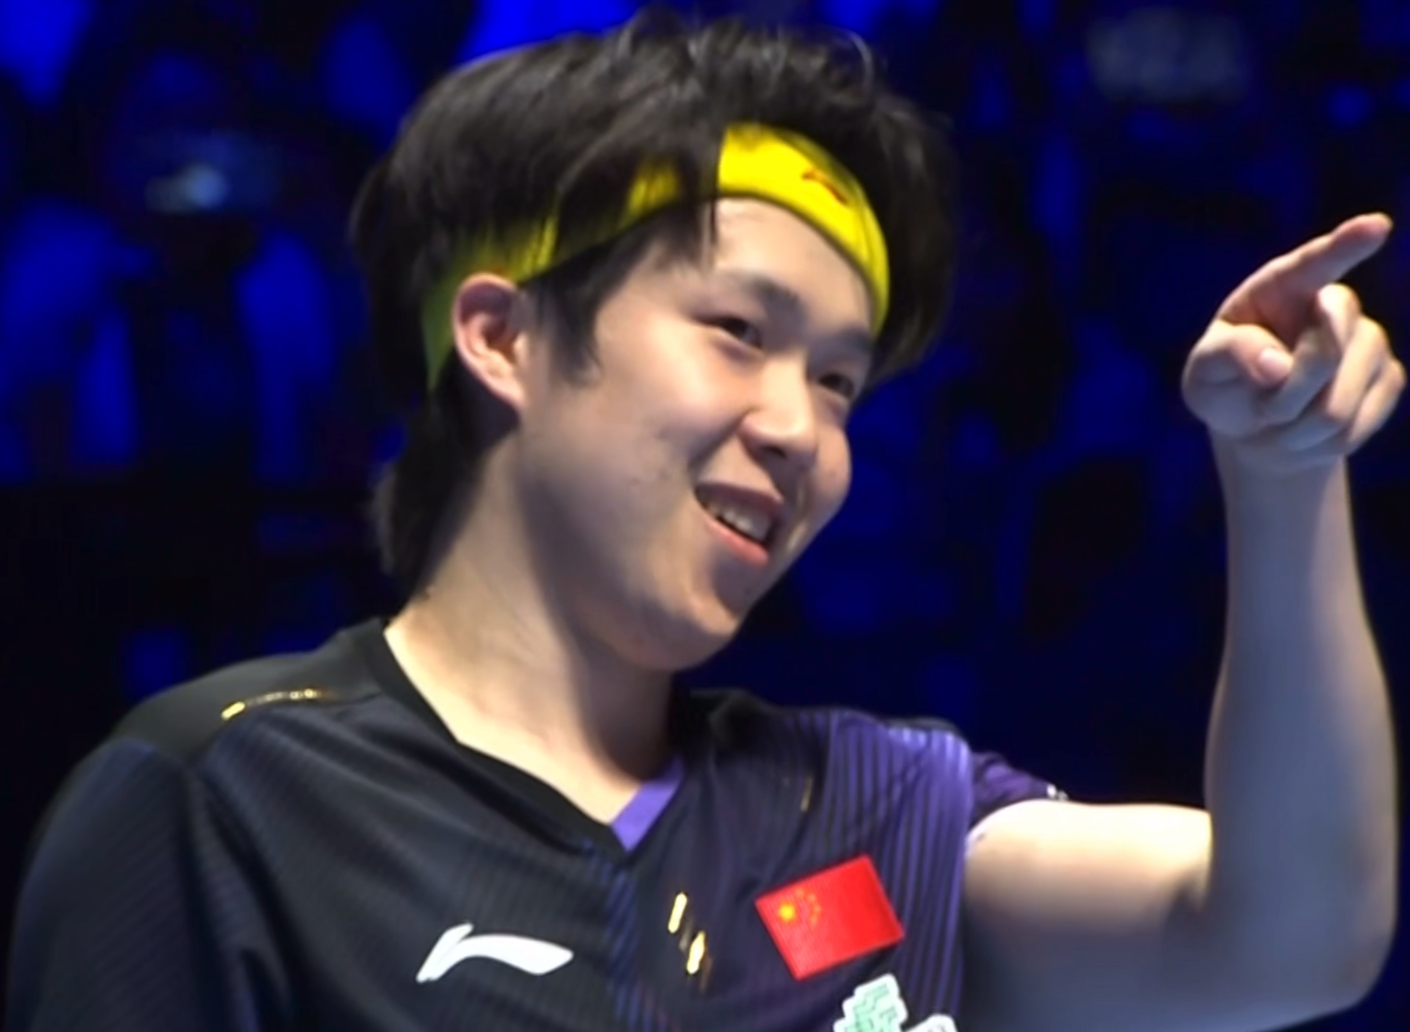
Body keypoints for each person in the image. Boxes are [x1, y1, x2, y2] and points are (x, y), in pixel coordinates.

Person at [7, 11, 1401, 1032]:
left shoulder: (877, 810)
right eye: (739, 330)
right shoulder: (226, 801)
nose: (802, 430)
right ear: (502, 338)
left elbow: (1289, 941)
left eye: (839, 381)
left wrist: (1281, 474)